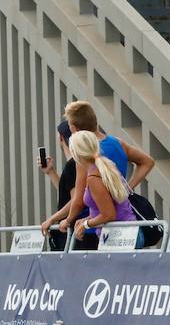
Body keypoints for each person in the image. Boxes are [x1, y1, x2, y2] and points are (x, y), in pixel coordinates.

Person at [41, 100, 155, 239]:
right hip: (122, 222)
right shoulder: (117, 143)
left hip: (93, 227)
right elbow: (147, 162)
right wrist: (126, 188)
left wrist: (63, 220)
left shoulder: (85, 156)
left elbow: (78, 200)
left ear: (75, 129)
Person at [68, 130, 137, 244]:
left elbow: (109, 214)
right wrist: (87, 219)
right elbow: (107, 208)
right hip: (125, 234)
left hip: (119, 237)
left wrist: (86, 225)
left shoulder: (94, 178)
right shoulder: (105, 166)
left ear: (76, 154)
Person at [37, 120, 91, 251]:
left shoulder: (73, 164)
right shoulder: (77, 163)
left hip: (73, 232)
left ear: (61, 137)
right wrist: (51, 172)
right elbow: (69, 194)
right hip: (76, 229)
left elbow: (75, 200)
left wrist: (51, 219)